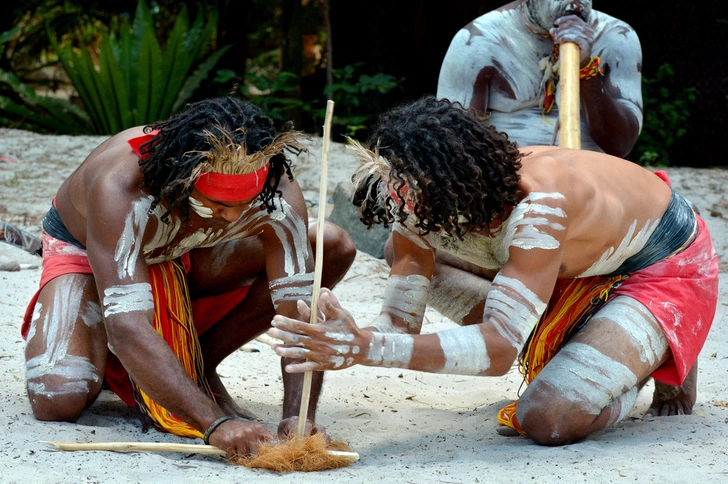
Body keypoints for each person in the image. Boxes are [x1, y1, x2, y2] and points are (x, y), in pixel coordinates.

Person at [267, 97, 719, 446]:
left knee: (546, 418)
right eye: (395, 193)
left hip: (660, 264)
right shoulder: (414, 200)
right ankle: (597, 342)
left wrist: (365, 348)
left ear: (453, 186)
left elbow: (500, 349)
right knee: (398, 247)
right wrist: (346, 335)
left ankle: (652, 350)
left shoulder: (541, 205)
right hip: (570, 268)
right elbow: (399, 326)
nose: (401, 209)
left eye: (412, 198)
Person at [21, 95, 356, 457]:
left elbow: (297, 313)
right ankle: (107, 350)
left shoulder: (275, 187)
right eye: (220, 205)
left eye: (244, 205)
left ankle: (199, 363)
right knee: (58, 397)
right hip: (91, 250)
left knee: (328, 244)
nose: (232, 217)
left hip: (185, 250)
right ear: (184, 178)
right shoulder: (122, 184)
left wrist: (298, 416)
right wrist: (215, 424)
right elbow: (126, 325)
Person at [437, 0, 643, 157]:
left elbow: (620, 146)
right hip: (506, 183)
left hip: (591, 184)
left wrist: (586, 69)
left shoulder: (616, 36)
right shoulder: (478, 40)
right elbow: (455, 149)